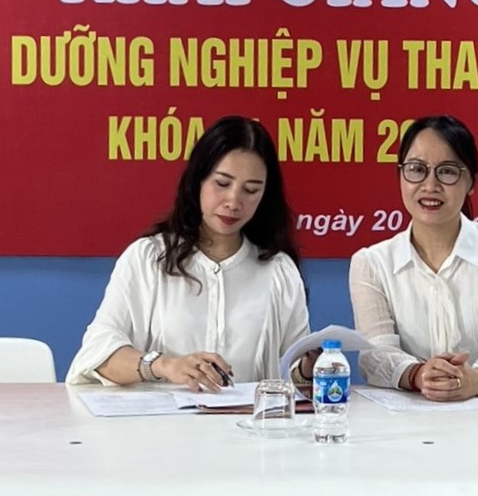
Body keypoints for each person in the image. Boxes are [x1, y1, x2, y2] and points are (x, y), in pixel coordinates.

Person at [66, 116, 311, 390]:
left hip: (247, 418)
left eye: (251, 190)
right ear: (198, 181)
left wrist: (309, 369)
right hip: (159, 418)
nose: (233, 202)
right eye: (222, 184)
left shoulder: (278, 270)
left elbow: (293, 375)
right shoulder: (148, 258)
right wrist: (164, 365)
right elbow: (98, 354)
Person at [350, 115, 478, 400]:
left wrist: (475, 380)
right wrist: (419, 375)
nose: (430, 185)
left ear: (471, 181)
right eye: (417, 169)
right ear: (400, 175)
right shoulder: (372, 263)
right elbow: (374, 356)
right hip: (410, 418)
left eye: (447, 172)